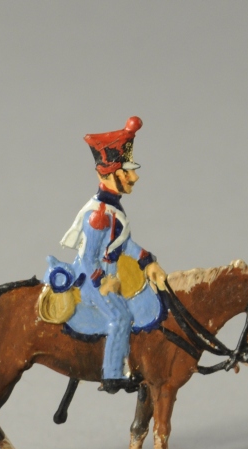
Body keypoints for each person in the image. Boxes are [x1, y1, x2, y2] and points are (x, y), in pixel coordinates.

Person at [59, 116, 167, 393]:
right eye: (127, 172)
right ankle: (112, 374)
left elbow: (123, 244)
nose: (135, 177)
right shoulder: (98, 216)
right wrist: (101, 282)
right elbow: (88, 258)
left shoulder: (113, 209)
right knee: (120, 317)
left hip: (109, 273)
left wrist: (147, 261)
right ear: (109, 174)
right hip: (91, 278)